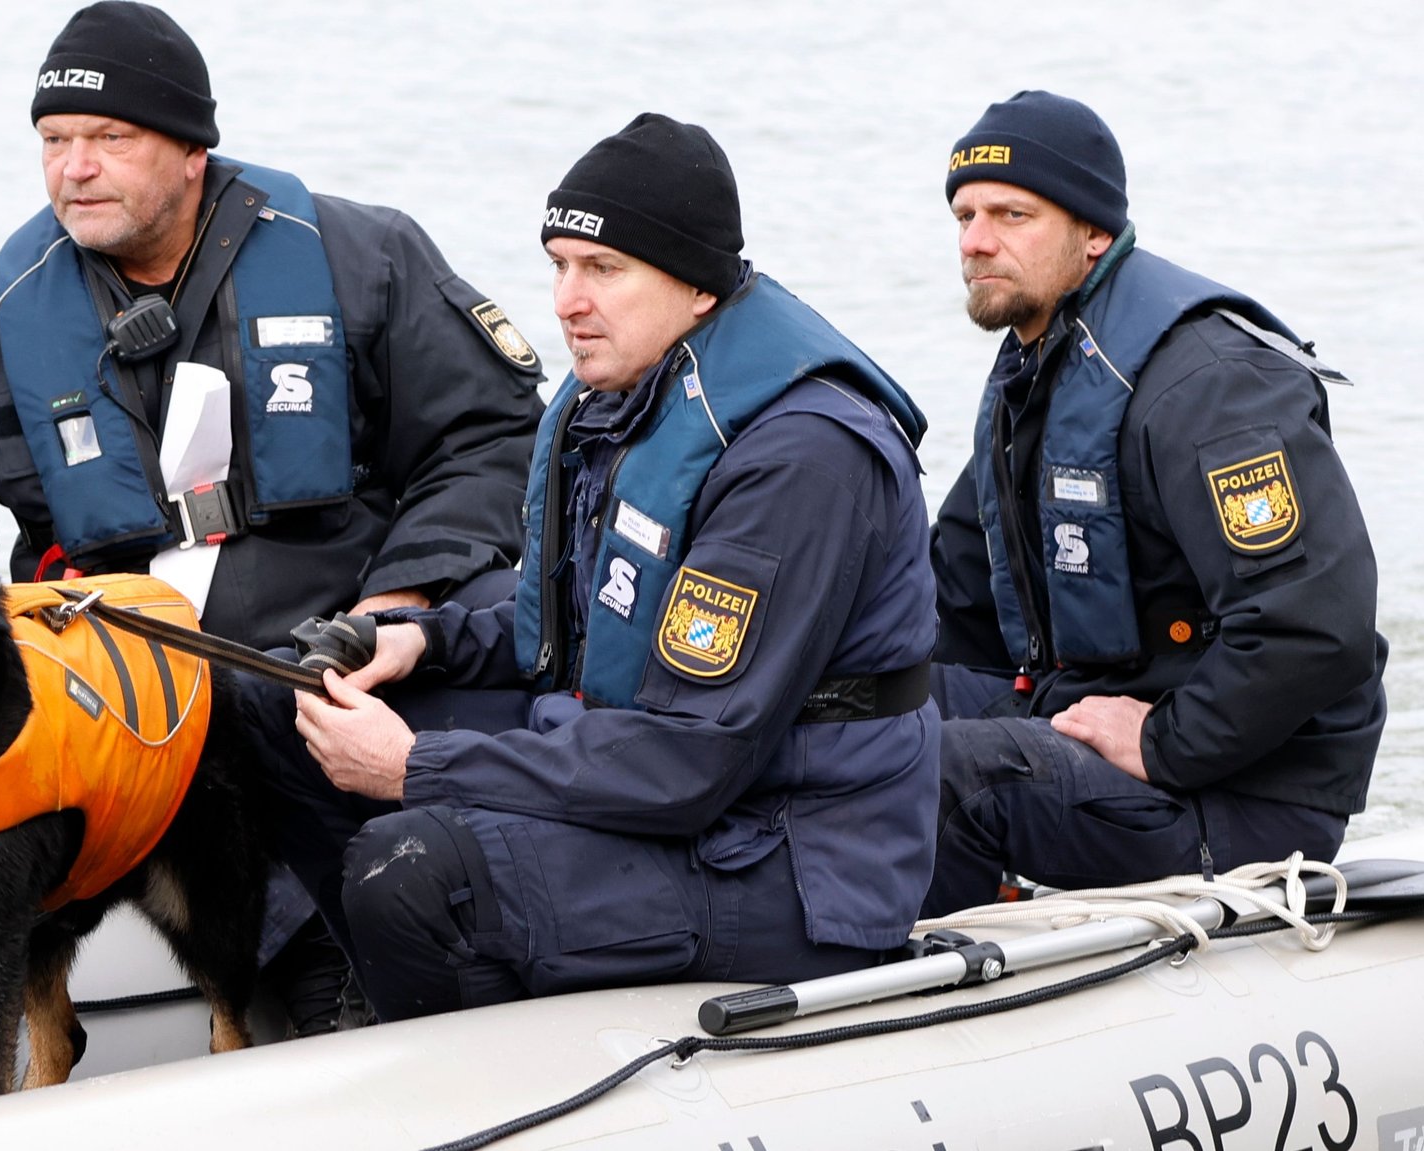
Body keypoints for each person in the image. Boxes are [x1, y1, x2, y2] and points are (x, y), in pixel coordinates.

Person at [0, 1, 545, 1033]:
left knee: (489, 623)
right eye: (54, 142)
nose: (75, 168)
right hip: (116, 684)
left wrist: (398, 601)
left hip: (337, 646)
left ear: (191, 151)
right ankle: (281, 981)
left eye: (109, 139)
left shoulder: (364, 260)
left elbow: (487, 440)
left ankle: (411, 948)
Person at [232, 113, 941, 1022]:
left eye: (603, 270)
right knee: (273, 700)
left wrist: (418, 766)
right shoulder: (626, 387)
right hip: (667, 776)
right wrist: (418, 638)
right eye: (560, 266)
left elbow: (691, 762)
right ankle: (372, 983)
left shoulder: (798, 456)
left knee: (408, 871)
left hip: (789, 855)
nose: (567, 300)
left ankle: (462, 1049)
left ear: (698, 286)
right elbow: (578, 626)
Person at [920, 91, 1388, 916]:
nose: (975, 241)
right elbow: (945, 594)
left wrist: (1166, 742)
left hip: (1242, 790)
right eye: (963, 216)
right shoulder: (1039, 373)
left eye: (1011, 214)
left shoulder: (1210, 386)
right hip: (1083, 707)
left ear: (1094, 232)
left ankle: (911, 994)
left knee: (934, 770)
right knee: (853, 716)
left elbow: (1316, 627)